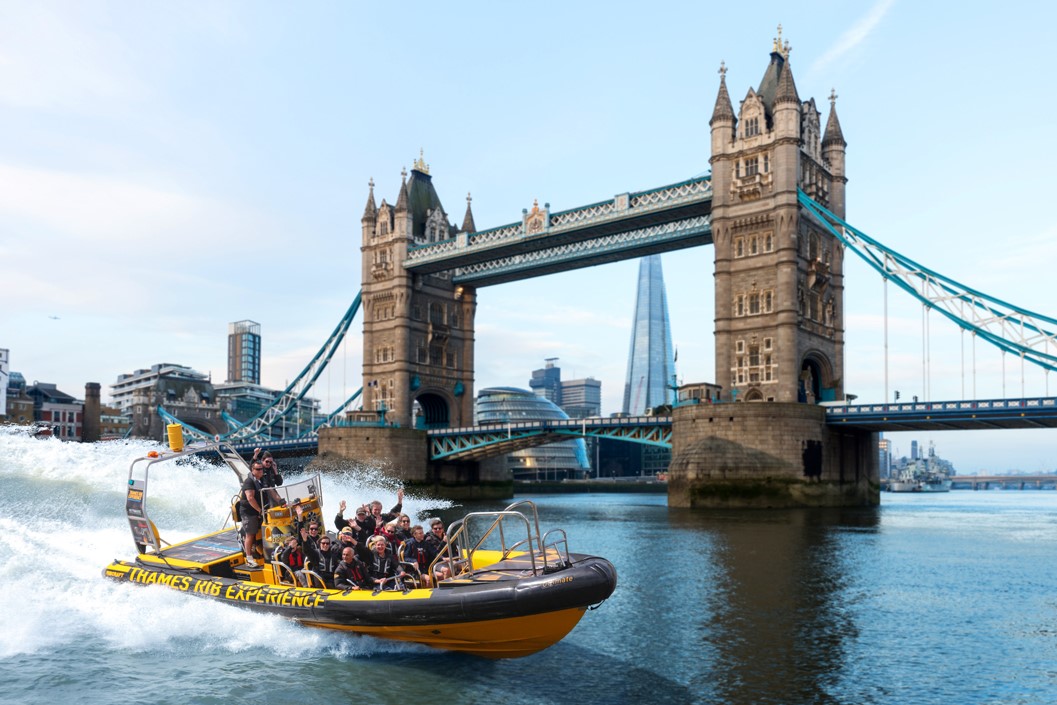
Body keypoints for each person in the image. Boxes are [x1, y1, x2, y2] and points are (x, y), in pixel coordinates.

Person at [238, 462, 266, 567]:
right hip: (248, 512)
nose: (260, 471)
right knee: (250, 533)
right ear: (252, 470)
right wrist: (260, 510)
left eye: (261, 469)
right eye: (258, 469)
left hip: (258, 510)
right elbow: (250, 498)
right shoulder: (249, 482)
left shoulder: (261, 480)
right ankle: (249, 558)